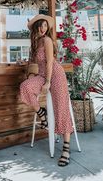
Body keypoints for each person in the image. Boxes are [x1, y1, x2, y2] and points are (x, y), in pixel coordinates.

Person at [20, 14, 73, 167]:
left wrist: (49, 81)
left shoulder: (48, 40)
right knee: (25, 87)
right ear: (36, 27)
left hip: (55, 75)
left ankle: (66, 148)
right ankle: (41, 113)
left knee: (61, 109)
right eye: (40, 26)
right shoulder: (36, 43)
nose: (43, 28)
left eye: (45, 26)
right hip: (42, 75)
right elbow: (35, 64)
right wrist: (29, 71)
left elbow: (50, 63)